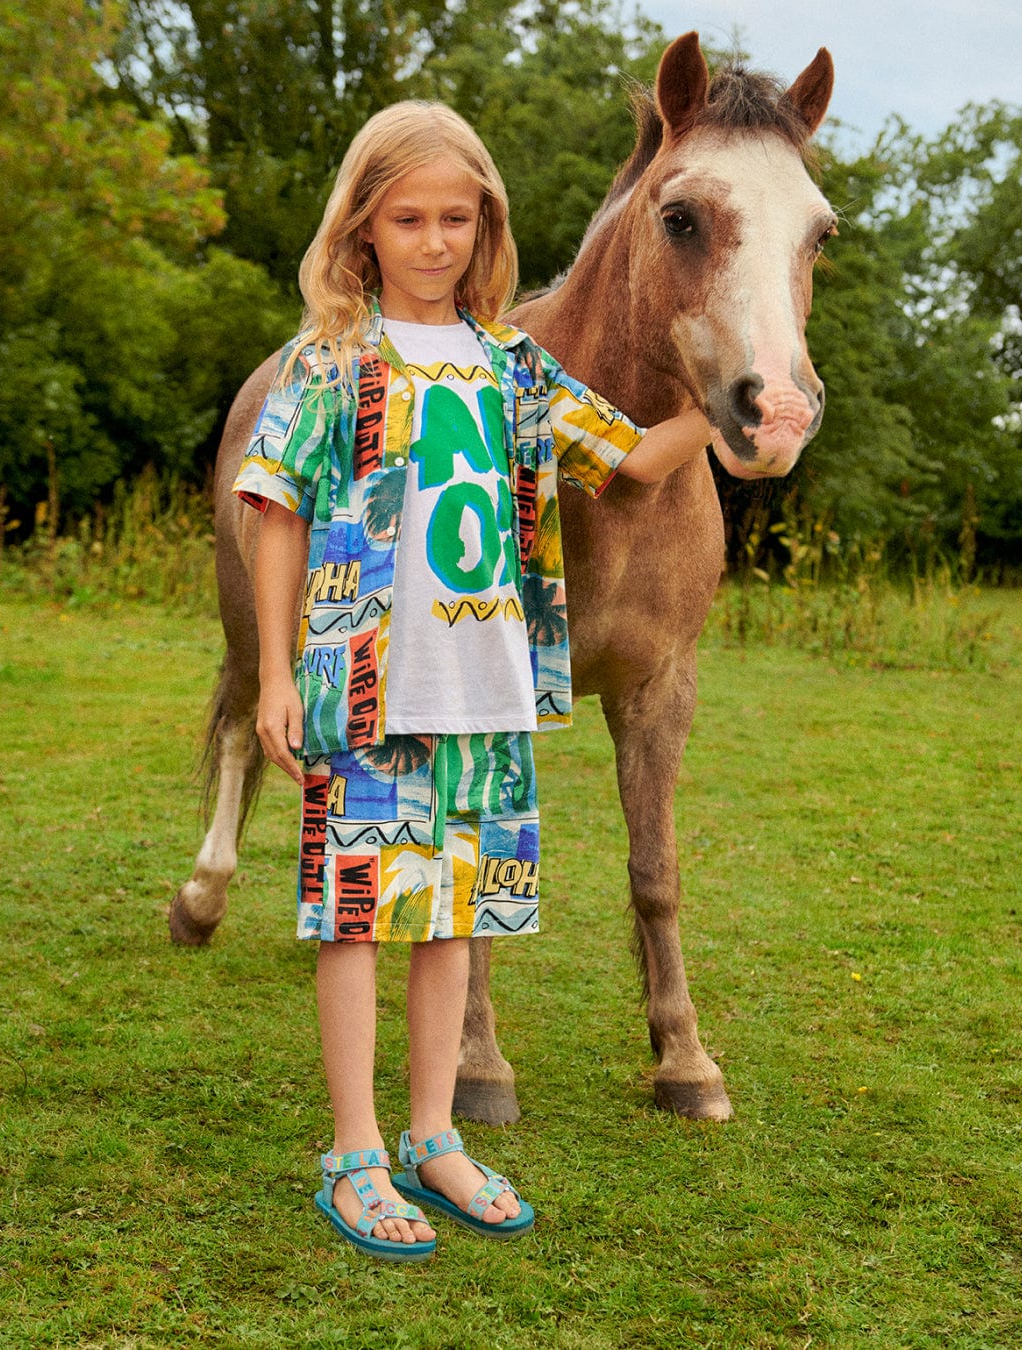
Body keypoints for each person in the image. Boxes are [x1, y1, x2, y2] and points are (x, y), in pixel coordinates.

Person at [232, 100, 713, 1263]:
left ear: (487, 228)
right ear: (364, 229)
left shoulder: (512, 365)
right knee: (358, 920)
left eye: (459, 217)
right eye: (410, 218)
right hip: (360, 682)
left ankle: (434, 1133)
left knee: (455, 915)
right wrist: (281, 669)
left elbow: (635, 463)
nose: (436, 240)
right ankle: (354, 1152)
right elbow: (273, 511)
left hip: (490, 691)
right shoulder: (329, 364)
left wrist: (730, 412)